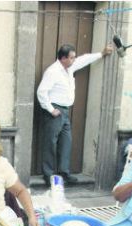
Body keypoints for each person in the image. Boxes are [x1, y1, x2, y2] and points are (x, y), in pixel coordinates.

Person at [36, 42, 113, 185]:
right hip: (55, 110)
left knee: (66, 142)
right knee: (50, 143)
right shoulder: (53, 71)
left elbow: (84, 59)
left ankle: (64, 172)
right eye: (71, 57)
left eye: (73, 57)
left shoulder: (69, 68)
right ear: (63, 58)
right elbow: (41, 91)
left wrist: (101, 54)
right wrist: (51, 109)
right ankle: (49, 174)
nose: (74, 60)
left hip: (65, 111)